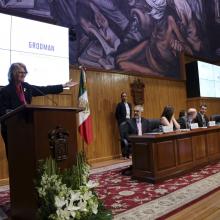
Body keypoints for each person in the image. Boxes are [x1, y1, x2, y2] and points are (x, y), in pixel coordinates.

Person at [0, 62, 78, 157]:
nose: (23, 74)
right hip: (12, 129)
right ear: (13, 73)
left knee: (27, 155)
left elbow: (45, 89)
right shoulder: (5, 91)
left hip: (26, 126)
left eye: (25, 72)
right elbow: (2, 111)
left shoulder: (26, 87)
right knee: (14, 156)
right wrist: (12, 114)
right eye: (20, 72)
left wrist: (63, 85)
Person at [115, 92, 132, 158]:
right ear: (121, 97)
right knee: (123, 139)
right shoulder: (119, 105)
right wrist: (120, 122)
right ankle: (124, 155)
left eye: (125, 96)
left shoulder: (129, 104)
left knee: (129, 138)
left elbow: (130, 114)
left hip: (129, 122)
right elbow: (116, 115)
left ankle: (130, 154)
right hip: (122, 123)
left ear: (127, 97)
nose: (124, 97)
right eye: (123, 96)